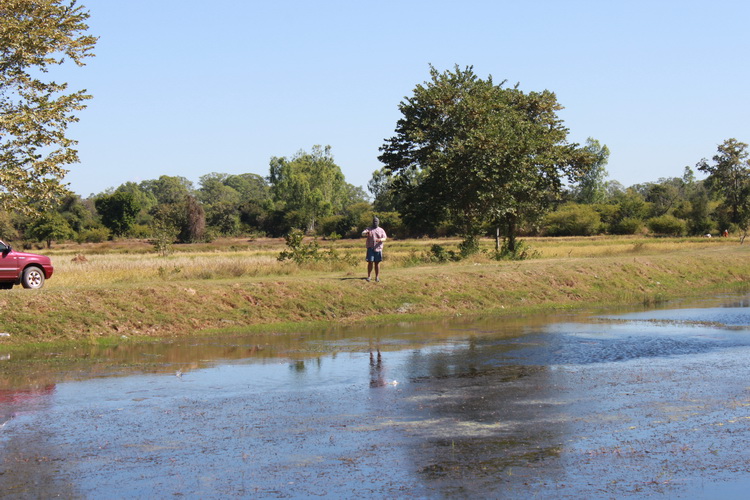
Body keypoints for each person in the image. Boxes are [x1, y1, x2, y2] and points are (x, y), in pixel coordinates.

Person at [361, 216, 387, 282]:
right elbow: (363, 233)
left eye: (376, 221)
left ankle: (377, 277)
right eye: (374, 221)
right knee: (370, 262)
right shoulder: (369, 229)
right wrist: (366, 233)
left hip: (378, 248)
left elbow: (384, 238)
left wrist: (380, 239)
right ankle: (369, 276)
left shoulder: (381, 230)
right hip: (370, 248)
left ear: (378, 222)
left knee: (377, 263)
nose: (375, 222)